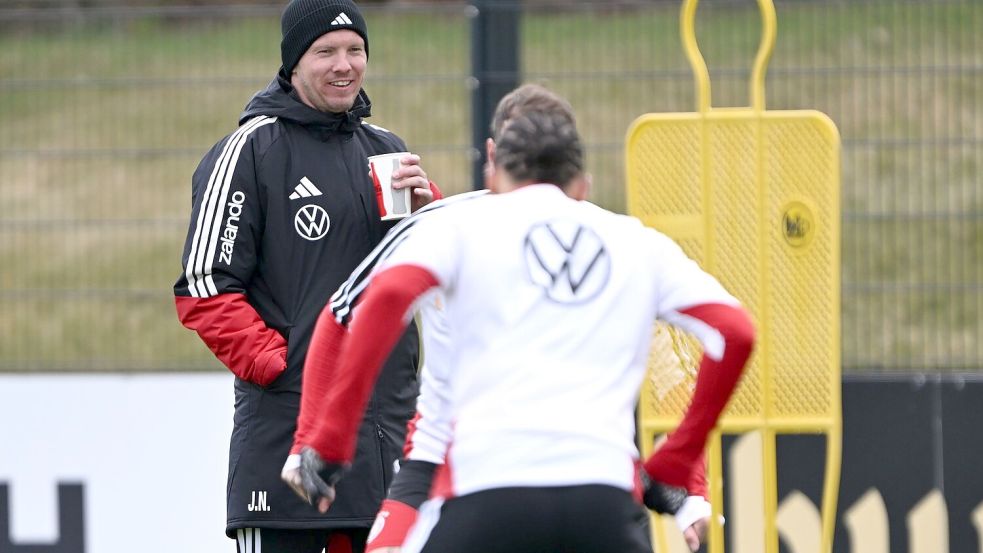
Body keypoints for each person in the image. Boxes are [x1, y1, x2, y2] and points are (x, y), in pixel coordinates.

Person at [282, 107, 755, 553]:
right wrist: (680, 460)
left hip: (488, 482)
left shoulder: (458, 227)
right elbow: (732, 334)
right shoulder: (635, 240)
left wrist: (328, 441)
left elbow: (381, 302)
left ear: (493, 171)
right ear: (583, 184)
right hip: (602, 494)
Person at [173, 1, 440, 551]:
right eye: (326, 52)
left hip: (382, 451)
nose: (344, 65)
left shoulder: (386, 150)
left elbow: (431, 281)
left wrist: (429, 209)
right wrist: (285, 365)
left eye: (355, 50)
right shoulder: (251, 150)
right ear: (294, 64)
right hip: (285, 447)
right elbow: (204, 288)